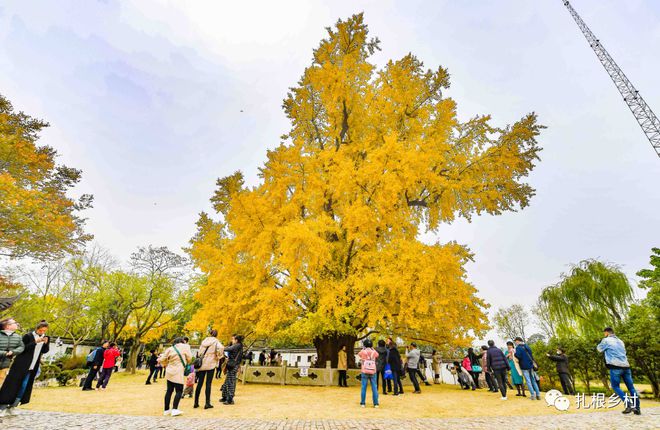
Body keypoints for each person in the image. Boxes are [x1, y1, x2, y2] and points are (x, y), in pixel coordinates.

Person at [0, 320, 49, 416]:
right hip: (21, 365)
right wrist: (35, 342)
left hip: (33, 366)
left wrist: (46, 343)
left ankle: (12, 406)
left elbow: (45, 350)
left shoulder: (45, 337)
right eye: (41, 331)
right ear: (37, 329)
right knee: (12, 385)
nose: (42, 333)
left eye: (44, 331)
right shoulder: (28, 336)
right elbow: (23, 349)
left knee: (24, 386)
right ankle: (3, 407)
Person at [597, 327, 641, 415]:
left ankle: (628, 404)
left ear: (606, 333)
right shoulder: (621, 341)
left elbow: (599, 349)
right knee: (631, 388)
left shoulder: (606, 340)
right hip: (626, 366)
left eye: (604, 333)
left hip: (615, 367)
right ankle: (637, 408)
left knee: (615, 386)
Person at [159, 337, 192, 417]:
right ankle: (174, 409)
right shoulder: (185, 347)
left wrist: (166, 363)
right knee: (179, 391)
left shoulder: (170, 348)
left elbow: (162, 359)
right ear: (182, 341)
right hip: (178, 371)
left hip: (169, 371)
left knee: (169, 391)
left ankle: (166, 410)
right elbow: (190, 358)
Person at [194, 329, 223, 409]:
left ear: (210, 334)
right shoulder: (216, 341)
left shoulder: (204, 341)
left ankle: (196, 402)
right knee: (208, 383)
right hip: (211, 364)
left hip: (202, 363)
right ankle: (207, 403)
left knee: (200, 383)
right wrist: (218, 356)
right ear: (216, 335)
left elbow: (199, 352)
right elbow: (221, 348)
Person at [0, 318, 24, 388]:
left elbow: (21, 347)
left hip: (5, 365)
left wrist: (13, 352)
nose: (16, 324)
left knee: (1, 384)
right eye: (14, 322)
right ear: (8, 326)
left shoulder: (18, 337)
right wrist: (5, 353)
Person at [220, 334, 243, 405]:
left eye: (233, 339)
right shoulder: (239, 345)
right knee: (227, 381)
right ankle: (225, 396)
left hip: (233, 366)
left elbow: (228, 349)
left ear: (236, 340)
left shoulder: (237, 345)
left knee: (230, 382)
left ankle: (230, 399)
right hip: (233, 365)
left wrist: (221, 347)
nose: (232, 340)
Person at [358, 339, 379, 408]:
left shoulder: (363, 351)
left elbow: (359, 354)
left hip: (364, 371)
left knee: (363, 387)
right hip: (373, 371)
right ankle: (376, 403)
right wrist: (372, 349)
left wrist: (363, 348)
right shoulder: (374, 352)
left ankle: (363, 403)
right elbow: (377, 355)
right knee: (374, 387)